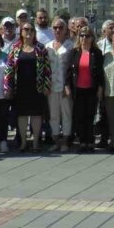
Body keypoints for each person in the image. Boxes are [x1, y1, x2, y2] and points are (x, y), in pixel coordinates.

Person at [4, 23, 51, 152]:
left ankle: (35, 142)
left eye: (31, 29)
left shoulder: (40, 48)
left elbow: (47, 69)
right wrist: (7, 86)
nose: (28, 32)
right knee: (22, 115)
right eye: (26, 29)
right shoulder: (15, 48)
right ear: (21, 32)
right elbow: (9, 68)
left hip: (37, 87)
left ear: (34, 32)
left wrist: (47, 85)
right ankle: (24, 142)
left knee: (36, 115)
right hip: (20, 87)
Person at [66, 27, 104, 153]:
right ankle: (82, 141)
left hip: (91, 89)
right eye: (81, 35)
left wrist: (100, 88)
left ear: (92, 38)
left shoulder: (97, 53)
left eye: (87, 36)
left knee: (90, 116)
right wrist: (67, 87)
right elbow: (68, 72)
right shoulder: (74, 52)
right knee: (79, 116)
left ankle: (89, 141)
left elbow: (100, 73)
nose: (84, 38)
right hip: (78, 89)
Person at [46, 18, 75, 152]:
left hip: (65, 86)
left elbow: (72, 68)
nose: (57, 30)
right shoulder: (48, 46)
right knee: (53, 114)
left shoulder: (71, 46)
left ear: (65, 30)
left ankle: (65, 141)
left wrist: (68, 85)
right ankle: (56, 140)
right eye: (55, 27)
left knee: (67, 113)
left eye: (60, 28)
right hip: (51, 86)